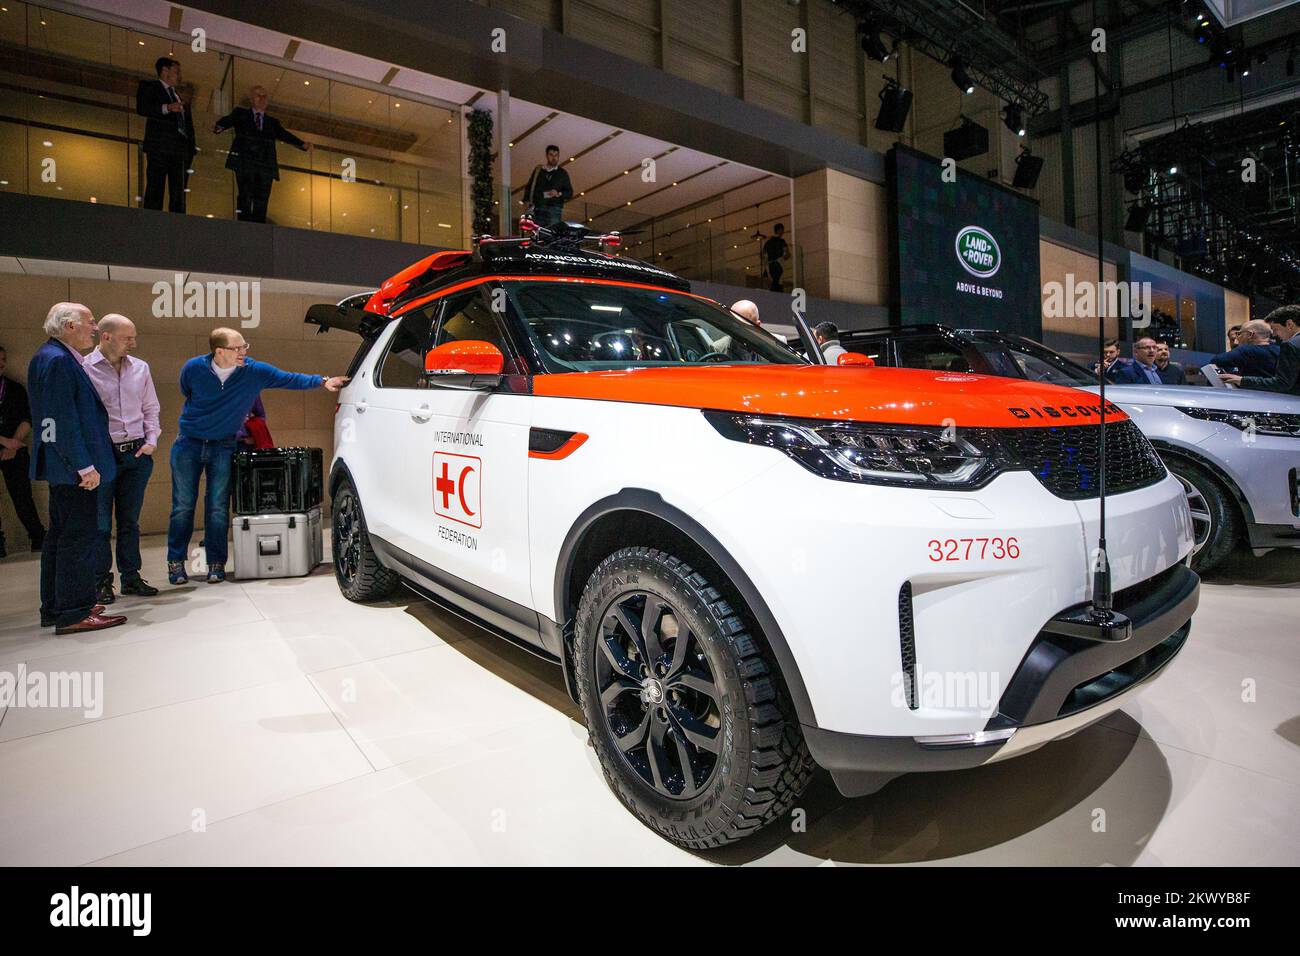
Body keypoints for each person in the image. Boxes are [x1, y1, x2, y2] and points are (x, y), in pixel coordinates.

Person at [168, 328, 349, 586]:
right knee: (183, 506)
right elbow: (187, 391)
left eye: (245, 346)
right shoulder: (193, 368)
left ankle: (216, 564)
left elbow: (288, 378)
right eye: (238, 348)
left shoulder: (253, 371)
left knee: (218, 507)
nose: (244, 352)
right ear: (219, 351)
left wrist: (323, 381)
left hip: (224, 446)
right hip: (189, 444)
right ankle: (175, 563)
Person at [28, 304, 126, 635]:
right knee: (76, 539)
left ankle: (58, 605)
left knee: (59, 537)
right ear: (70, 325)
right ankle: (73, 612)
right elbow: (58, 421)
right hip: (73, 469)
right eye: (90, 322)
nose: (95, 328)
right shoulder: (57, 361)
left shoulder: (51, 356)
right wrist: (83, 466)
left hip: (64, 467)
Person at [82, 315, 161, 605]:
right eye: (128, 338)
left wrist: (151, 440)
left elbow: (151, 408)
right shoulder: (84, 369)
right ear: (106, 337)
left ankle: (131, 577)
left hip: (136, 453)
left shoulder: (140, 368)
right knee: (101, 524)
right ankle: (101, 581)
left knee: (130, 521)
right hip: (103, 454)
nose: (133, 343)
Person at [213, 86, 308, 223]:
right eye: (259, 95)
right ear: (251, 99)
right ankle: (244, 224)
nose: (262, 99)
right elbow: (227, 121)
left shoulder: (272, 122)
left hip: (265, 166)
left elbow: (284, 135)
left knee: (262, 198)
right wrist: (218, 126)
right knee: (245, 195)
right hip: (246, 164)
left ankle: (259, 227)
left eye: (265, 96)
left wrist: (302, 144)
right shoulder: (241, 114)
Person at [0, 345, 46, 558]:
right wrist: (5, 442)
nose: (1, 363)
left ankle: (37, 536)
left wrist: (14, 442)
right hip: (7, 444)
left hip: (14, 448)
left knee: (22, 495)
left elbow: (28, 417)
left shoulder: (14, 388)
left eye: (3, 359)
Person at [136, 57, 194, 213]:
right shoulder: (150, 87)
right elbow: (143, 108)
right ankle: (153, 220)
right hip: (159, 147)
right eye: (176, 71)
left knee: (178, 192)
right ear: (165, 70)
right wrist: (167, 108)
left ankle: (177, 222)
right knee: (156, 186)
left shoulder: (178, 96)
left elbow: (187, 126)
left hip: (179, 151)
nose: (179, 75)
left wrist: (190, 149)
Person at [1221, 305, 1300, 396]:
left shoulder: (1290, 345)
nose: (1274, 334)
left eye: (1275, 329)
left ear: (1289, 324)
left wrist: (1242, 380)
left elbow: (1282, 383)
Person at [1208, 318, 1280, 377]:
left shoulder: (1246, 350)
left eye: (1239, 333)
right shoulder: (1280, 350)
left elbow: (1216, 360)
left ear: (1250, 334)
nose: (1237, 339)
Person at [523, 145, 573, 227]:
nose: (554, 158)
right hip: (539, 207)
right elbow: (529, 187)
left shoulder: (562, 173)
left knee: (552, 232)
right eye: (551, 155)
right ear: (547, 156)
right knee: (541, 232)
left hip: (554, 207)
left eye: (556, 155)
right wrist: (526, 201)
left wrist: (558, 194)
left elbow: (569, 192)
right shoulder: (538, 171)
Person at [759, 223, 790, 292]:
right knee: (778, 281)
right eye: (782, 230)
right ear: (779, 230)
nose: (783, 232)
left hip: (770, 265)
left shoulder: (768, 242)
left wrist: (766, 261)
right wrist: (782, 259)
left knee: (773, 281)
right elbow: (787, 254)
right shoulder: (782, 241)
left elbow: (762, 254)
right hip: (778, 264)